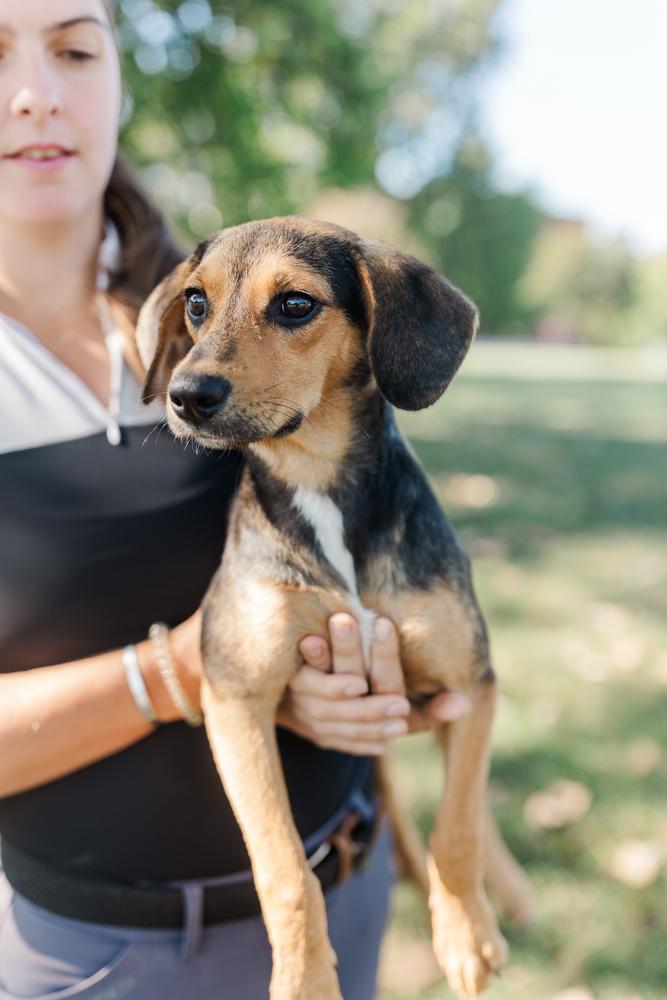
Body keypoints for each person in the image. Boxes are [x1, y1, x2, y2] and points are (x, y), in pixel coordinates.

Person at [0, 2, 469, 997]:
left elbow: (371, 546)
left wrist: (378, 694)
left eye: (75, 48)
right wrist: (188, 672)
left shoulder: (220, 291)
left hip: (346, 885)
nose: (36, 91)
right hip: (95, 956)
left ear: (120, 76)